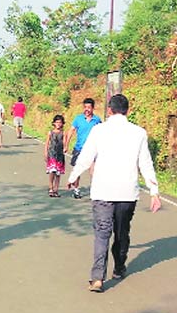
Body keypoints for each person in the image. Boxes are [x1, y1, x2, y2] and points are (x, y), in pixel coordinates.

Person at [66, 94, 161, 292]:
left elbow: (86, 156)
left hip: (102, 191)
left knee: (102, 234)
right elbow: (145, 163)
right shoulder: (139, 133)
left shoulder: (98, 130)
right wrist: (154, 191)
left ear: (109, 110)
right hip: (127, 193)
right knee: (122, 232)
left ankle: (97, 278)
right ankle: (118, 267)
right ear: (128, 110)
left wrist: (74, 176)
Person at [64, 97, 102, 199]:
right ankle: (76, 189)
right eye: (85, 107)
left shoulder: (97, 120)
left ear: (93, 108)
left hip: (93, 149)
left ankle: (95, 190)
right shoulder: (78, 119)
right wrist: (66, 145)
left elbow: (102, 133)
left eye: (89, 107)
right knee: (78, 170)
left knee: (93, 171)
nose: (87, 109)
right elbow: (71, 131)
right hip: (79, 148)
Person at [45, 115, 66, 197]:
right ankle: (51, 188)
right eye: (57, 122)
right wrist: (45, 153)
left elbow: (64, 142)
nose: (58, 124)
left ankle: (56, 189)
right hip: (52, 153)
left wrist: (65, 148)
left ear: (62, 123)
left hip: (60, 155)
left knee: (58, 173)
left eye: (60, 122)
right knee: (52, 171)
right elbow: (47, 143)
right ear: (54, 123)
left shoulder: (63, 133)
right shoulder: (50, 132)